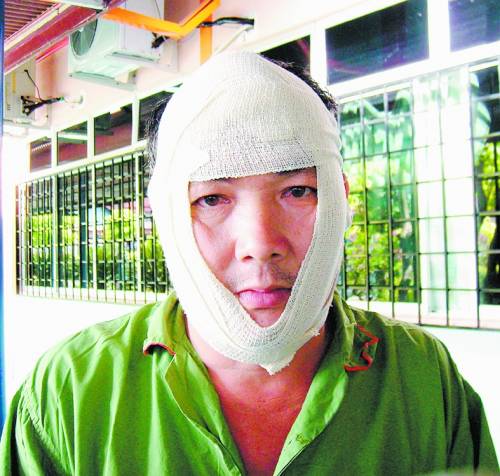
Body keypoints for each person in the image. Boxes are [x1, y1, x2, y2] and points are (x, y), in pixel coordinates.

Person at [0, 51, 498, 476]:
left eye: (297, 190)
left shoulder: (423, 378)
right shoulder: (67, 394)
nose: (260, 245)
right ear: (164, 214)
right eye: (212, 199)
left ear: (342, 199)